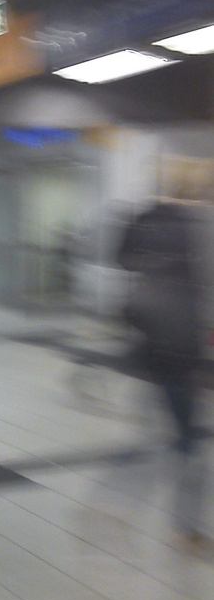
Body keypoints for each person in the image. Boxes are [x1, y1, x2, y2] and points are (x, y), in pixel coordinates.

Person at [117, 196, 209, 548]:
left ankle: (117, 501)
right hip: (183, 355)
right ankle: (184, 527)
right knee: (186, 441)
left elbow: (124, 267)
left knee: (167, 438)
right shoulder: (193, 230)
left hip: (154, 352)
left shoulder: (146, 223)